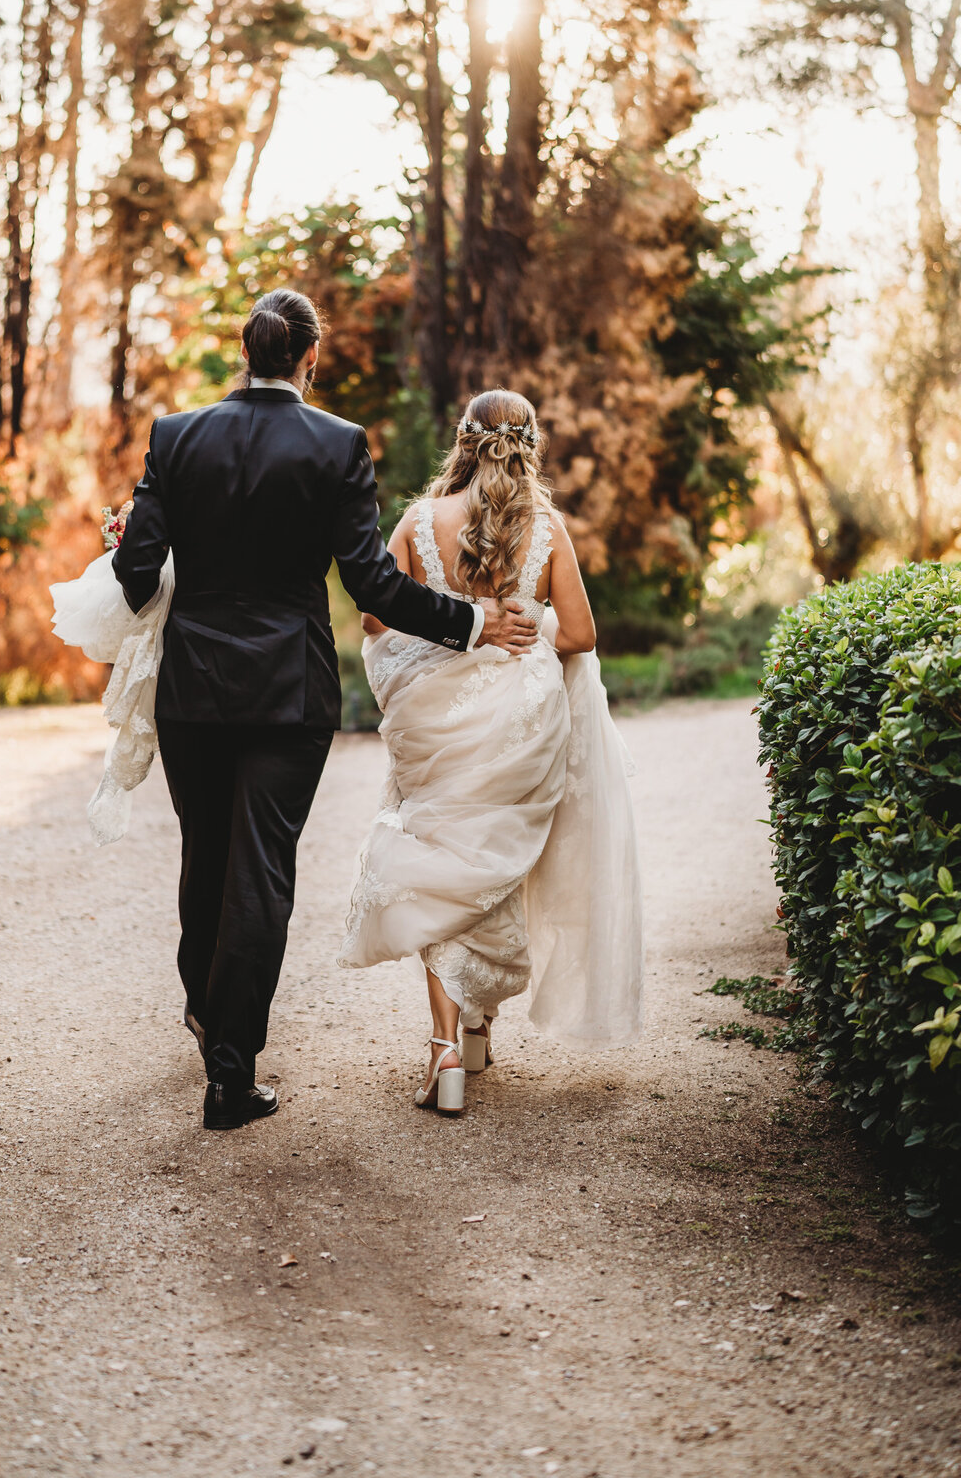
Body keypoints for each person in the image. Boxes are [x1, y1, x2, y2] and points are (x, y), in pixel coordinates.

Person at [107, 292, 540, 1130]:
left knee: (205, 859)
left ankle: (208, 1010)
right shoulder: (337, 443)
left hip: (193, 693)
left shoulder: (174, 435)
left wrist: (121, 538)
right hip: (287, 692)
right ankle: (230, 1076)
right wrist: (475, 620)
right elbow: (373, 583)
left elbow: (135, 576)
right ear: (311, 359)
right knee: (261, 871)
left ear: (245, 352)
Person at [339, 388, 642, 1114]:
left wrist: (450, 631)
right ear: (531, 444)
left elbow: (376, 613)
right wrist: (523, 623)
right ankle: (475, 1029)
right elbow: (579, 635)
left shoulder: (419, 519)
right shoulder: (548, 529)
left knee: (441, 861)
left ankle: (449, 1048)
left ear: (463, 441)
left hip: (434, 720)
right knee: (490, 865)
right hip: (520, 724)